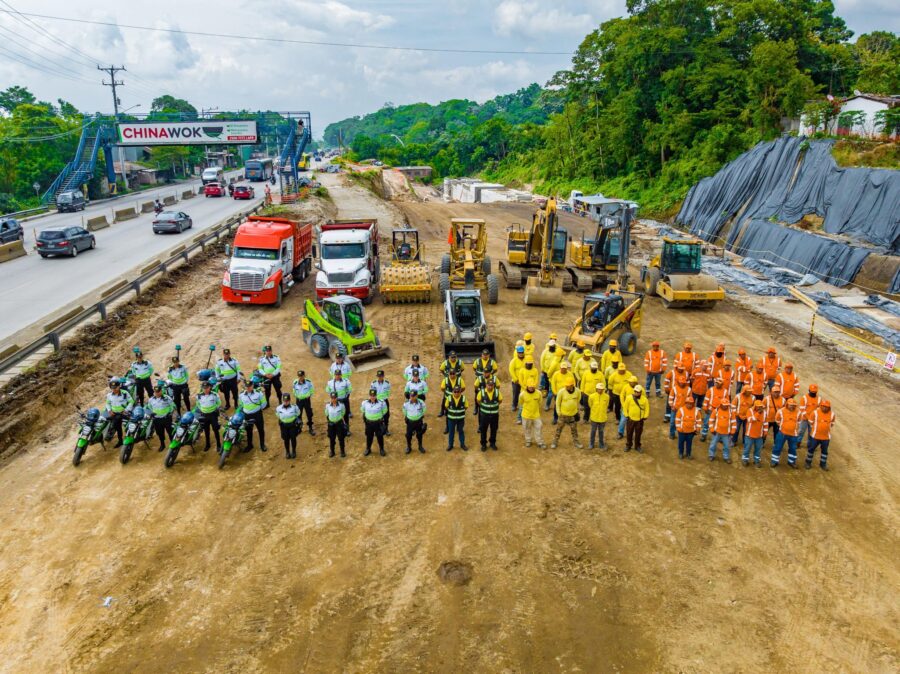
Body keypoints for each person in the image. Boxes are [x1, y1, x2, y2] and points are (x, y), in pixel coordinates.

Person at [552, 376, 583, 449]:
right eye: (566, 385)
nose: (566, 387)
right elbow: (557, 403)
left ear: (572, 385)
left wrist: (575, 410)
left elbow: (578, 400)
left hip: (573, 415)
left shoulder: (578, 391)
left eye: (568, 386)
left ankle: (576, 442)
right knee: (558, 429)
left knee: (574, 430)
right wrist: (559, 413)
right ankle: (555, 442)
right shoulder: (561, 392)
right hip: (563, 415)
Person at [237, 378, 267, 452]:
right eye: (247, 386)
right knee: (248, 430)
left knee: (260, 429)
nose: (248, 388)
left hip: (257, 414)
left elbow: (264, 403)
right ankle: (250, 445)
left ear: (252, 386)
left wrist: (258, 409)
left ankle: (262, 444)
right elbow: (241, 404)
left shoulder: (258, 393)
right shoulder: (241, 395)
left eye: (249, 386)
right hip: (247, 415)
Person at [806, 399, 835, 470]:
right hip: (815, 436)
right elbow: (810, 422)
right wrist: (816, 429)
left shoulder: (832, 414)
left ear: (829, 407)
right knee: (811, 449)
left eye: (826, 407)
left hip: (826, 438)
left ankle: (823, 464)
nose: (825, 408)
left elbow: (832, 424)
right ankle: (808, 463)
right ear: (821, 406)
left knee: (824, 451)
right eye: (823, 406)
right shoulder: (815, 413)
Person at [771, 397, 800, 468]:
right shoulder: (781, 411)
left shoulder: (798, 412)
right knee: (778, 447)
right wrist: (783, 426)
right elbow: (777, 420)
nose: (792, 406)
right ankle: (774, 461)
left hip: (794, 434)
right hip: (782, 433)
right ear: (787, 404)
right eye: (791, 405)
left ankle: (791, 461)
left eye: (794, 405)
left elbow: (799, 421)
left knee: (793, 448)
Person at [105, 378, 135, 447]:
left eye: (115, 387)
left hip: (124, 413)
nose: (114, 389)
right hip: (115, 414)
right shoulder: (109, 395)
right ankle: (120, 441)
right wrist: (109, 410)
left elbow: (131, 402)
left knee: (130, 425)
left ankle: (131, 438)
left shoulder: (125, 393)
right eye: (112, 388)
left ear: (119, 386)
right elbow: (107, 403)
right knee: (118, 428)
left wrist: (126, 410)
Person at [194, 380, 222, 452]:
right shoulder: (199, 396)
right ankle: (207, 444)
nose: (205, 389)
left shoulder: (214, 395)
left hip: (213, 415)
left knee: (215, 430)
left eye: (207, 388)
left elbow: (219, 403)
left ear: (210, 387)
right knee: (206, 431)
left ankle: (219, 445)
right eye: (204, 388)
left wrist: (215, 408)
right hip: (204, 415)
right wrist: (202, 410)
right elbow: (198, 404)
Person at [147, 383, 175, 451]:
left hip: (166, 418)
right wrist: (151, 413)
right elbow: (149, 407)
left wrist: (170, 412)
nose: (157, 393)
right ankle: (162, 444)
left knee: (170, 432)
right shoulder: (151, 399)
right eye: (155, 392)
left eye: (158, 391)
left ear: (161, 391)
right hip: (157, 419)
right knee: (159, 433)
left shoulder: (167, 398)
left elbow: (173, 406)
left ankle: (172, 444)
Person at [622, 385, 650, 453]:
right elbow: (625, 407)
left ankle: (637, 446)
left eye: (638, 392)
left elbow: (647, 408)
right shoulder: (629, 398)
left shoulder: (644, 399)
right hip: (630, 419)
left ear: (640, 392)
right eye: (635, 391)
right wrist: (626, 415)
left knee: (638, 434)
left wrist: (645, 416)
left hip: (639, 420)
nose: (636, 393)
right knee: (629, 433)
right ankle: (628, 445)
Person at [540, 335, 565, 410]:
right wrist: (544, 370)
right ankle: (547, 404)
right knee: (549, 389)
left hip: (557, 378)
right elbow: (542, 360)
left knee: (556, 392)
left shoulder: (559, 358)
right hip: (549, 373)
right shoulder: (547, 353)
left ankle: (556, 405)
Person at [476, 379, 502, 451]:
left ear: (493, 386)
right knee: (483, 430)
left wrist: (494, 407)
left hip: (494, 415)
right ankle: (483, 444)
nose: (490, 387)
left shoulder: (497, 392)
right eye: (489, 385)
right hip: (484, 415)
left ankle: (492, 443)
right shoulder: (481, 392)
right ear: (486, 385)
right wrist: (484, 407)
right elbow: (478, 400)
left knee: (494, 429)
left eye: (491, 385)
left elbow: (500, 400)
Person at [361, 389, 388, 456]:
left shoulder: (381, 403)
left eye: (374, 395)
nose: (372, 397)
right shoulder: (365, 403)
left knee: (380, 436)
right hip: (369, 423)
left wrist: (378, 417)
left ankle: (381, 449)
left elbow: (385, 411)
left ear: (376, 395)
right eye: (371, 395)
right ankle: (368, 449)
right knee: (369, 437)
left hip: (378, 423)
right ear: (369, 396)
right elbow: (362, 410)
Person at [519, 381, 545, 449]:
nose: (531, 388)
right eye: (530, 387)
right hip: (526, 415)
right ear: (527, 386)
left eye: (533, 387)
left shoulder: (538, 393)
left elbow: (540, 402)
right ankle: (528, 441)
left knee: (538, 428)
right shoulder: (522, 394)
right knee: (527, 428)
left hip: (536, 415)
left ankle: (540, 442)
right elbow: (521, 402)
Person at [701, 378, 728, 442]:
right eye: (716, 383)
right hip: (710, 409)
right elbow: (706, 399)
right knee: (706, 422)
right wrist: (705, 407)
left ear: (722, 384)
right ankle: (704, 435)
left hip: (720, 411)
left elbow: (727, 401)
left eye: (719, 383)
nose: (717, 384)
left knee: (718, 424)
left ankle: (718, 437)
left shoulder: (725, 391)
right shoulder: (711, 390)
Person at [741, 400, 768, 467]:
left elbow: (766, 423)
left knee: (758, 449)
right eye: (758, 407)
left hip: (759, 435)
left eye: (761, 407)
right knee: (747, 448)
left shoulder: (764, 413)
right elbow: (750, 420)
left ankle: (756, 461)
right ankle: (745, 460)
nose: (760, 408)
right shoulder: (750, 411)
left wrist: (765, 432)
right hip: (749, 435)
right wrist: (758, 413)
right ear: (755, 406)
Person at [326, 371, 352, 435]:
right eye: (336, 375)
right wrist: (332, 398)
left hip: (344, 400)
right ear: (334, 375)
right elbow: (327, 390)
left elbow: (350, 390)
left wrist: (346, 397)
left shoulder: (346, 381)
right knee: (332, 414)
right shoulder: (330, 382)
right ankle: (332, 429)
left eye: (339, 375)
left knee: (345, 415)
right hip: (334, 400)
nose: (337, 376)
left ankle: (347, 429)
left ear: (341, 375)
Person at [275, 393, 300, 459]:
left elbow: (298, 413)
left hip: (292, 426)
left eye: (287, 401)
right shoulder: (278, 408)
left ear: (290, 400)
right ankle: (287, 452)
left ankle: (294, 451)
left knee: (293, 439)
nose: (286, 402)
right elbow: (277, 415)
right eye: (284, 401)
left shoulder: (294, 407)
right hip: (284, 426)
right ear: (282, 400)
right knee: (286, 439)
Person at [667, 373, 691, 440]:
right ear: (678, 382)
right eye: (680, 382)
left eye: (683, 382)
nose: (682, 384)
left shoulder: (688, 389)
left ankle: (682, 434)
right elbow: (670, 398)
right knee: (672, 422)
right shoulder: (674, 388)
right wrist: (672, 406)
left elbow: (690, 400)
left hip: (684, 410)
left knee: (683, 423)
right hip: (675, 409)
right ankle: (672, 434)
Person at [516, 355, 539, 424]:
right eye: (528, 363)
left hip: (533, 390)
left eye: (530, 364)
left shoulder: (535, 370)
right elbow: (520, 381)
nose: (529, 365)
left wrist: (532, 387)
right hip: (524, 390)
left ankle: (532, 418)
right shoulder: (522, 371)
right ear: (525, 363)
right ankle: (519, 418)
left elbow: (536, 380)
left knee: (532, 405)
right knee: (522, 406)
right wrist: (526, 387)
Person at [402, 389, 427, 454]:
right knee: (408, 435)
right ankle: (409, 447)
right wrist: (407, 417)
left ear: (416, 396)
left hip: (418, 421)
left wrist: (420, 415)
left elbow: (424, 409)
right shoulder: (406, 403)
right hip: (410, 422)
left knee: (419, 434)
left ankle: (420, 446)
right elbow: (404, 411)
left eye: (413, 396)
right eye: (411, 396)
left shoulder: (421, 402)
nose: (412, 397)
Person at [292, 370, 316, 435]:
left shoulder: (308, 382)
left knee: (309, 414)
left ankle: (310, 428)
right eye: (299, 376)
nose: (300, 378)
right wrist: (297, 396)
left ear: (304, 376)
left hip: (306, 400)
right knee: (299, 414)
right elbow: (294, 390)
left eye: (301, 376)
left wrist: (309, 395)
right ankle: (299, 428)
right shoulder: (295, 382)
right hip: (299, 401)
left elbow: (312, 390)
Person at [445, 384, 469, 451]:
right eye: (455, 391)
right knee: (451, 432)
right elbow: (446, 406)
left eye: (458, 391)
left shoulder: (464, 398)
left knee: (461, 431)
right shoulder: (449, 398)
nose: (456, 393)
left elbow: (466, 406)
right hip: (451, 419)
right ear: (453, 391)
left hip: (460, 419)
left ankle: (462, 444)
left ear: (460, 392)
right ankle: (450, 445)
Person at [798, 384, 820, 449]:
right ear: (809, 390)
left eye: (814, 392)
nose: (813, 393)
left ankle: (809, 445)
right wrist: (809, 419)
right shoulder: (804, 398)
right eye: (812, 392)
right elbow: (802, 410)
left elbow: (819, 410)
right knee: (801, 431)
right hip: (804, 418)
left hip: (813, 420)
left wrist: (813, 419)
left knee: (811, 433)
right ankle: (797, 443)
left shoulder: (819, 399)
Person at [550, 361, 572, 425]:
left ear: (567, 368)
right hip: (558, 393)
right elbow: (553, 383)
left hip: (567, 393)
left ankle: (566, 419)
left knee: (567, 406)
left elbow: (573, 383)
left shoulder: (570, 374)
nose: (563, 369)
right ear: (560, 368)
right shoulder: (556, 374)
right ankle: (555, 418)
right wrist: (555, 392)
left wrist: (571, 391)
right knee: (557, 405)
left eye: (565, 368)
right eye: (562, 368)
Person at [588, 382, 609, 450]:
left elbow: (606, 405)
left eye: (602, 389)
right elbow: (590, 405)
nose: (600, 390)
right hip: (594, 417)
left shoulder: (607, 396)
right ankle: (591, 444)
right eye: (599, 389)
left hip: (602, 418)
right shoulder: (591, 396)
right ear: (596, 389)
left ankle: (601, 444)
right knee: (593, 431)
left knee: (601, 432)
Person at [325, 392, 347, 458]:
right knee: (332, 438)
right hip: (331, 425)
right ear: (330, 398)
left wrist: (338, 419)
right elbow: (326, 413)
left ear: (337, 398)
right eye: (332, 398)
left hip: (339, 424)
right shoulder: (327, 406)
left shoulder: (341, 405)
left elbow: (343, 412)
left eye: (335, 398)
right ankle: (332, 451)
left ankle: (342, 451)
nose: (333, 399)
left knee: (341, 438)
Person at [370, 370, 392, 435]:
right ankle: (377, 430)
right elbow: (372, 393)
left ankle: (386, 429)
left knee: (386, 415)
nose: (379, 377)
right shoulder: (373, 383)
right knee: (377, 416)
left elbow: (388, 393)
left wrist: (383, 399)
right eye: (378, 376)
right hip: (376, 401)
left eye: (381, 376)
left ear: (383, 376)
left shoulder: (387, 383)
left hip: (384, 401)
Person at [508, 344, 526, 418]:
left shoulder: (526, 360)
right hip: (516, 381)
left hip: (524, 381)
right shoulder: (514, 361)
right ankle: (514, 405)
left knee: (524, 394)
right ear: (517, 352)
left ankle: (523, 406)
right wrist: (515, 379)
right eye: (519, 352)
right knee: (516, 393)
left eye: (522, 352)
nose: (521, 354)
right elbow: (511, 370)